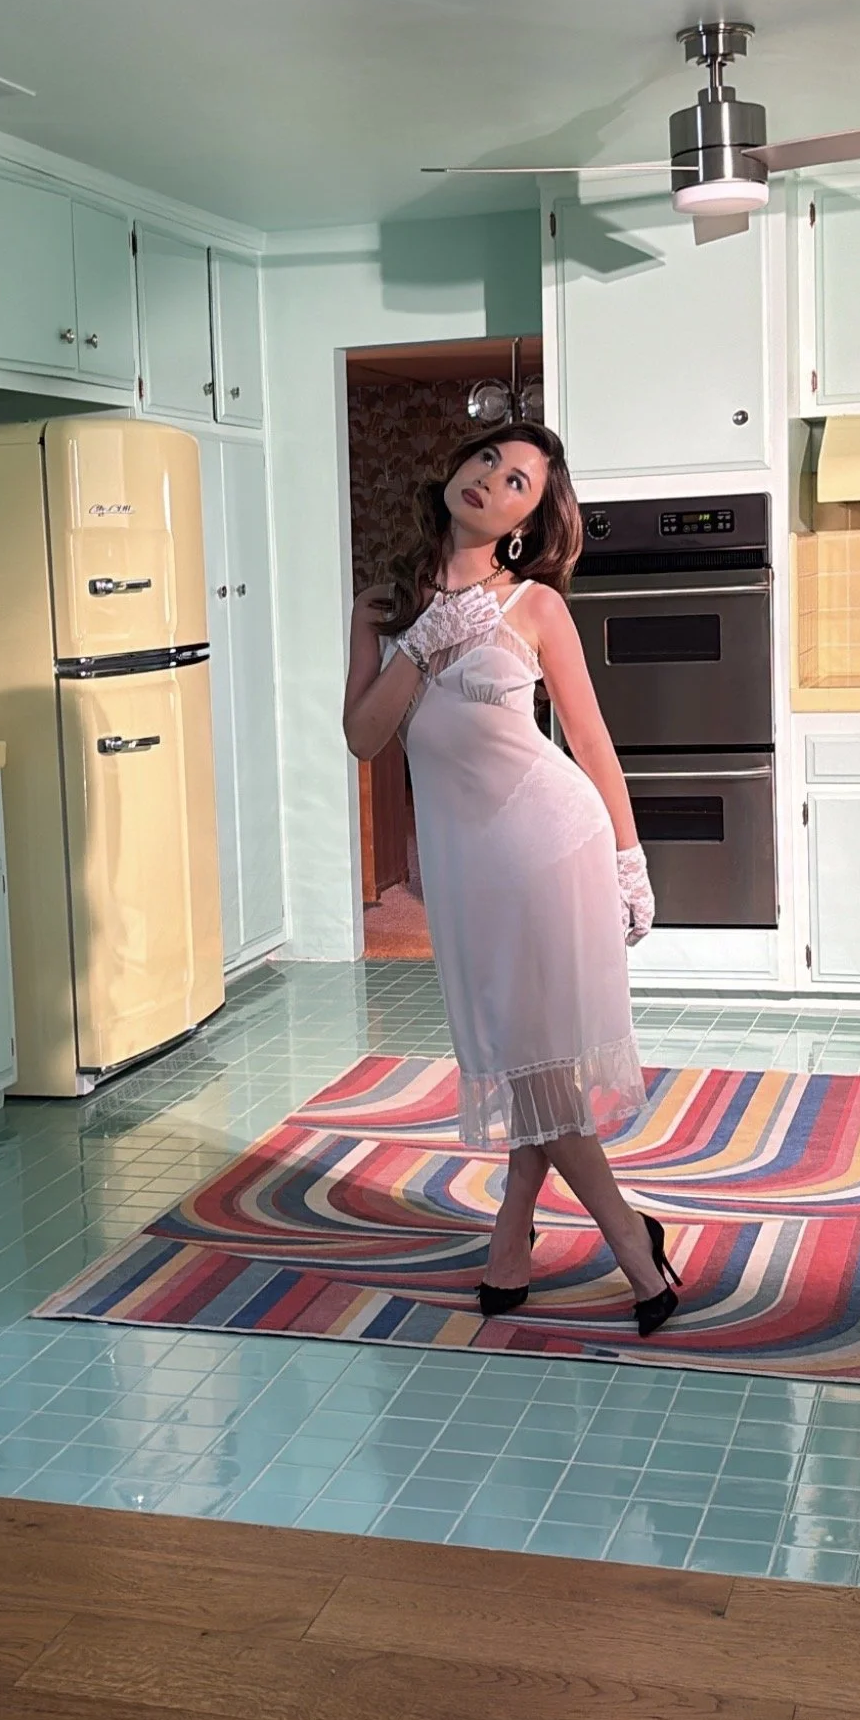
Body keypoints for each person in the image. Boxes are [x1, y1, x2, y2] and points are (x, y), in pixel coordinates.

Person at [342, 423, 681, 1337]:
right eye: (488, 459)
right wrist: (416, 645)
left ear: (530, 520)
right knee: (516, 1054)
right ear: (455, 467)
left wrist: (628, 856)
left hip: (548, 844)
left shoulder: (533, 605)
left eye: (520, 480)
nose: (493, 479)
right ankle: (522, 1224)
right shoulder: (386, 607)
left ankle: (632, 1259)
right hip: (465, 868)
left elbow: (591, 737)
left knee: (534, 1063)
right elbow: (364, 739)